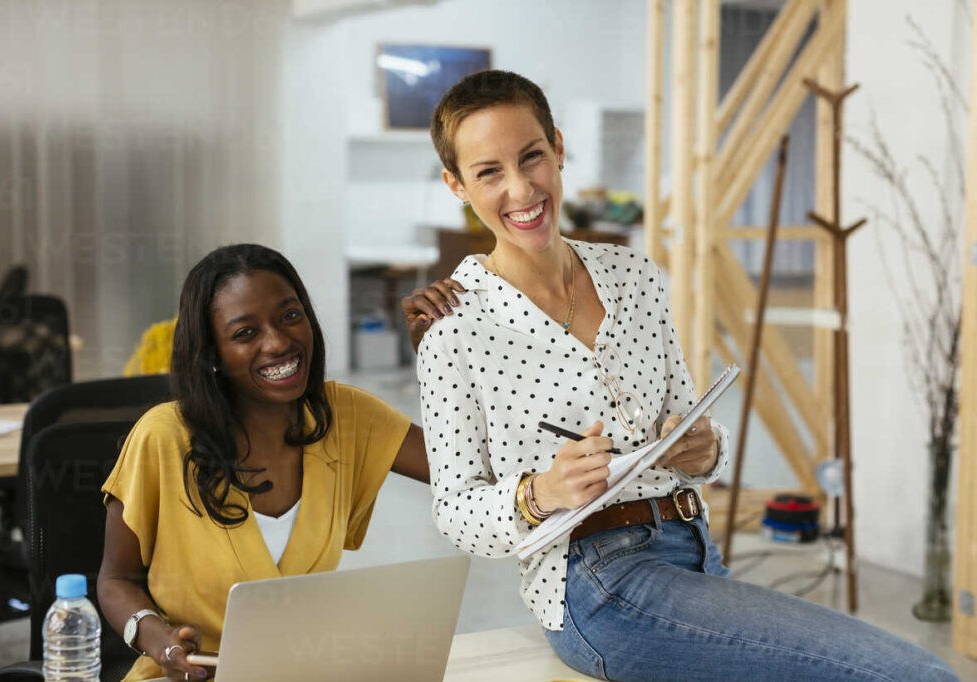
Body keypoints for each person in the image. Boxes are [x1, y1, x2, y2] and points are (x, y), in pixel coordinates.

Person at [412, 69, 957, 681]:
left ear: (558, 148)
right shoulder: (453, 326)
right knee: (910, 675)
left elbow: (693, 432)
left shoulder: (634, 274)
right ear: (456, 184)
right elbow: (456, 511)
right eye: (488, 172)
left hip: (695, 550)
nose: (520, 188)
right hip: (597, 585)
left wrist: (702, 449)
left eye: (531, 157)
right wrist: (541, 493)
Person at [97, 244, 460, 682]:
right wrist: (160, 640)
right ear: (212, 353)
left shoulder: (346, 417)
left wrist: (441, 360)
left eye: (290, 316)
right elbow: (116, 580)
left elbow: (468, 465)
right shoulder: (162, 437)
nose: (279, 342)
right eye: (245, 333)